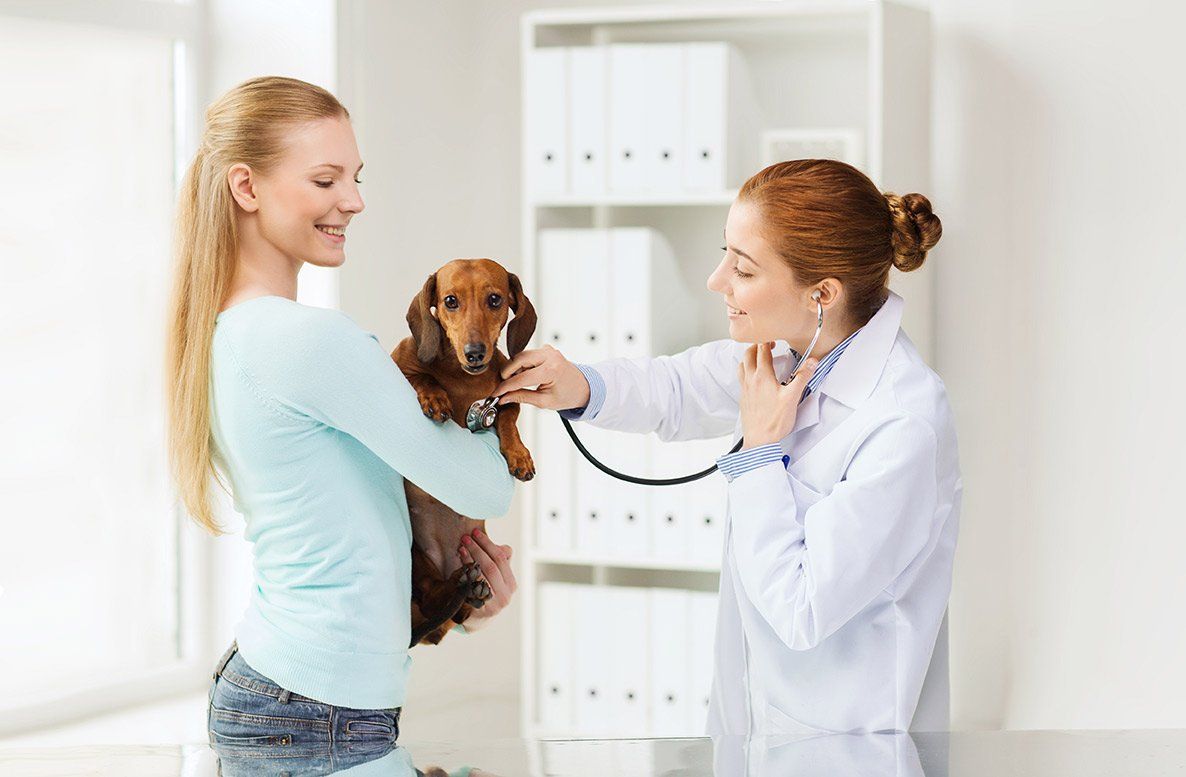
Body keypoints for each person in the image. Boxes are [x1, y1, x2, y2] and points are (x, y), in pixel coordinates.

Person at [494, 159, 962, 735]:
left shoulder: (902, 422)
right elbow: (678, 387)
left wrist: (760, 456)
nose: (717, 281)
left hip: (847, 743)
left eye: (742, 269)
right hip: (753, 725)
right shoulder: (791, 352)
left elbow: (802, 607)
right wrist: (579, 383)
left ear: (822, 293)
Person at [163, 76, 518, 748]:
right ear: (247, 188)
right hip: (314, 709)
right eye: (325, 181)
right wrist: (499, 386)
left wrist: (457, 600)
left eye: (354, 178)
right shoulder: (309, 340)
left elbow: (341, 529)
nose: (353, 201)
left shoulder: (227, 333)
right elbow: (485, 488)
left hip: (291, 690)